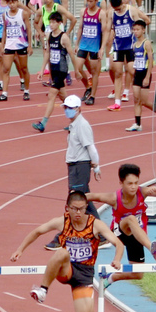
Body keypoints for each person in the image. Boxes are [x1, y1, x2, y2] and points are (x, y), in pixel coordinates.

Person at [11, 191, 123, 312]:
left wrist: (117, 259)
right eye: (75, 209)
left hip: (85, 275)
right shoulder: (62, 222)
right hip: (67, 270)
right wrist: (20, 249)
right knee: (62, 252)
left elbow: (118, 243)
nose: (78, 213)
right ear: (68, 209)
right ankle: (43, 289)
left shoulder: (95, 224)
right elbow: (38, 231)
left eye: (82, 209)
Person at [86, 163, 156, 290]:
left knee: (138, 274)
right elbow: (91, 196)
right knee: (130, 219)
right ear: (121, 182)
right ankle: (152, 249)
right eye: (129, 183)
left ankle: (112, 277)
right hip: (119, 233)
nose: (133, 187)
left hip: (137, 236)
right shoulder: (114, 198)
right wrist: (75, 198)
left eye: (136, 183)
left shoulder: (143, 192)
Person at [45, 95, 102, 249]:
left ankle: (62, 236)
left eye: (71, 108)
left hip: (80, 166)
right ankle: (102, 235)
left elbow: (91, 147)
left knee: (75, 202)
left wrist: (96, 167)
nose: (67, 110)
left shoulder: (82, 125)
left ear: (78, 108)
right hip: (74, 166)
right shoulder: (74, 124)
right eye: (66, 108)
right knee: (85, 201)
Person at [32, 12, 76, 133]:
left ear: (59, 23)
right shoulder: (49, 35)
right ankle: (77, 121)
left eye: (53, 22)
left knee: (51, 95)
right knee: (64, 98)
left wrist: (77, 70)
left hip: (62, 70)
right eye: (50, 22)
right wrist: (42, 69)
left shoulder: (64, 37)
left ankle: (43, 123)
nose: (51, 24)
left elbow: (71, 54)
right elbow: (47, 53)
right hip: (54, 70)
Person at [107, 0, 150, 110]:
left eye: (119, 8)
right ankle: (117, 102)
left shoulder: (131, 11)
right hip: (118, 47)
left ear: (122, 3)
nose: (118, 11)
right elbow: (107, 30)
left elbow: (141, 26)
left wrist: (141, 43)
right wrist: (104, 47)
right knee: (117, 73)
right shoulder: (111, 13)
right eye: (116, 9)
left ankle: (141, 89)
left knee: (132, 70)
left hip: (131, 46)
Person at [0, 0, 32, 102]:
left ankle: (26, 91)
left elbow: (29, 29)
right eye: (9, 3)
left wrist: (30, 45)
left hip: (21, 44)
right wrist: (2, 44)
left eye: (14, 2)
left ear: (17, 2)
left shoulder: (23, 13)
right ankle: (4, 93)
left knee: (24, 68)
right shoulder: (4, 14)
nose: (12, 5)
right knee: (6, 69)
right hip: (9, 45)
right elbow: (5, 30)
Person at [75, 0, 107, 105]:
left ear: (96, 1)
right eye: (87, 1)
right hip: (84, 44)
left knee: (94, 73)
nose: (88, 3)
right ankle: (88, 88)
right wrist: (76, 43)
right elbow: (80, 28)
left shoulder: (101, 13)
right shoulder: (83, 11)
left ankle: (93, 96)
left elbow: (105, 31)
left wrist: (102, 48)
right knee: (77, 68)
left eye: (91, 1)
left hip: (95, 46)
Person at [125, 19, 155, 131]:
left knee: (144, 101)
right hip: (137, 73)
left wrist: (147, 77)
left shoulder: (146, 43)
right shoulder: (134, 45)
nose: (135, 32)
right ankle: (137, 123)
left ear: (143, 30)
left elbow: (151, 61)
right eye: (134, 30)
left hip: (145, 73)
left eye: (138, 29)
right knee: (136, 99)